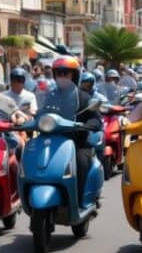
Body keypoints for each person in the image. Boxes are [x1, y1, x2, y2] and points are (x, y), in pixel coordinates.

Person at [37, 56, 103, 204]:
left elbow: (96, 118)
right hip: (51, 140)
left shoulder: (83, 97)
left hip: (77, 142)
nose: (62, 77)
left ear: (74, 75)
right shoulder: (50, 96)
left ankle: (79, 199)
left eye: (66, 73)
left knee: (81, 161)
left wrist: (87, 125)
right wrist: (31, 120)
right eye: (59, 73)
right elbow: (40, 113)